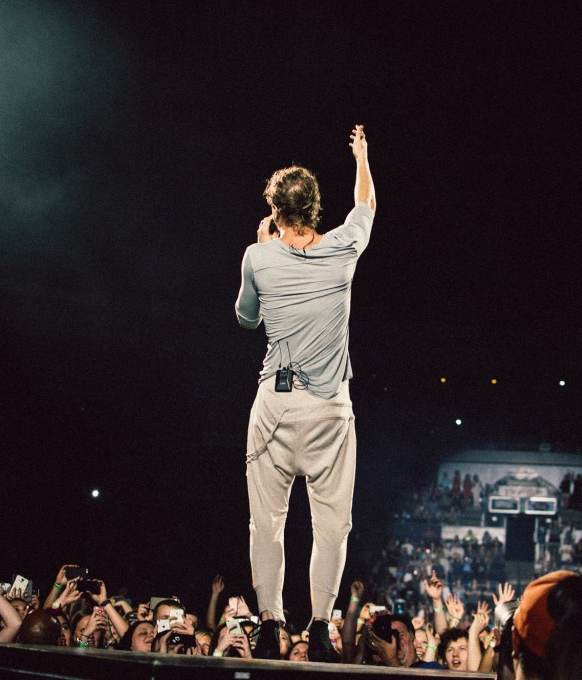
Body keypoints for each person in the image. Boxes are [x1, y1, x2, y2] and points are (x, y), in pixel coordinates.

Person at [235, 124, 375, 662]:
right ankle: (319, 623)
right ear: (316, 208)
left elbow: (247, 320)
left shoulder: (257, 256)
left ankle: (270, 621)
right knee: (332, 524)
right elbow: (365, 203)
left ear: (273, 209)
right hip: (328, 412)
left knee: (266, 522)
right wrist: (361, 157)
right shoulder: (343, 250)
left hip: (274, 405)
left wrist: (266, 252)